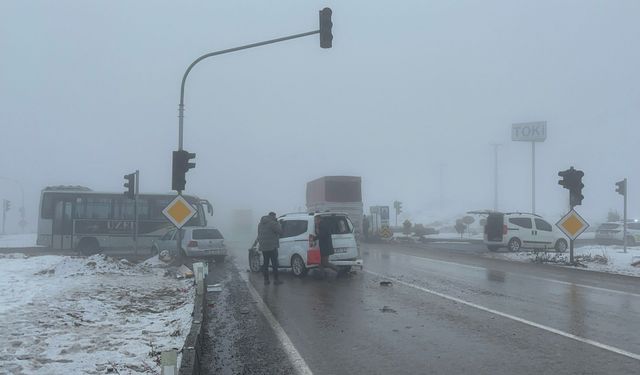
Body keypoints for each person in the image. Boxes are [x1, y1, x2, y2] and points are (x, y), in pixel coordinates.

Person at [252, 212, 283, 285]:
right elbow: (280, 231)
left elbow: (259, 234)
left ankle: (266, 280)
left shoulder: (260, 224)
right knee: (274, 263)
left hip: (263, 247)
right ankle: (276, 280)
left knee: (265, 263)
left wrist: (256, 244)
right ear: (273, 216)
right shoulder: (273, 223)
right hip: (272, 246)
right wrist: (278, 222)